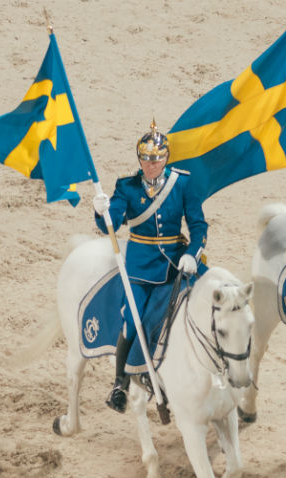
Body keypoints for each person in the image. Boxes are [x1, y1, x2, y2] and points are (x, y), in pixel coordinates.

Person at [93, 120, 208, 413]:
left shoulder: (181, 183)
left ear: (166, 158)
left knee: (209, 301)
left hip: (175, 262)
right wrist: (101, 211)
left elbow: (198, 224)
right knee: (133, 319)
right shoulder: (126, 186)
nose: (150, 164)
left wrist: (193, 254)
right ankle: (120, 383)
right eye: (145, 158)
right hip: (140, 268)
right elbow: (112, 224)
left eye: (156, 159)